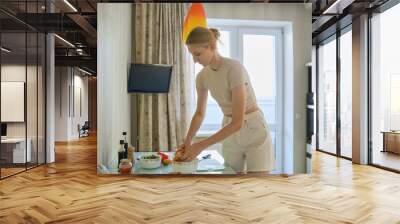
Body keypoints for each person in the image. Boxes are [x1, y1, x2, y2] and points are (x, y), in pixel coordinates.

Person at [180, 26, 275, 174]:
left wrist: (200, 146)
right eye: (192, 55)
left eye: (197, 54)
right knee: (231, 180)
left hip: (253, 128)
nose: (194, 60)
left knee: (257, 186)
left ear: (212, 47)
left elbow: (238, 122)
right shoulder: (202, 77)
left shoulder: (234, 69)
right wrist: (188, 141)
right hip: (229, 128)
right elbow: (199, 113)